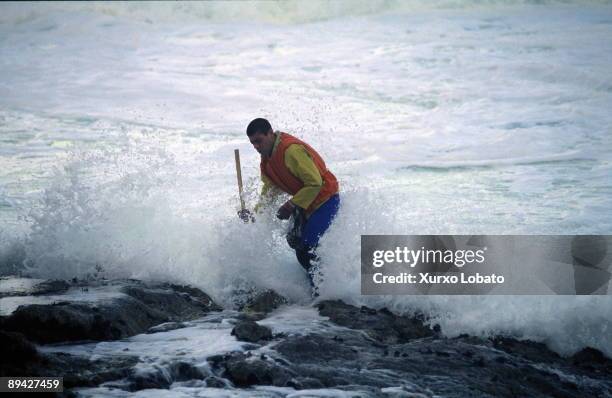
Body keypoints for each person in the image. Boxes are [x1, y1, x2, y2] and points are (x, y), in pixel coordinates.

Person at [239, 118, 340, 294]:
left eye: (259, 141)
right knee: (296, 243)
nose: (256, 146)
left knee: (308, 246)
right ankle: (316, 290)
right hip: (304, 203)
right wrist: (255, 215)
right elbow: (269, 191)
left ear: (270, 133)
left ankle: (325, 293)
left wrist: (292, 204)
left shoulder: (291, 150)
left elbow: (315, 183)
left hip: (326, 198)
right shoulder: (266, 160)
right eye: (252, 143)